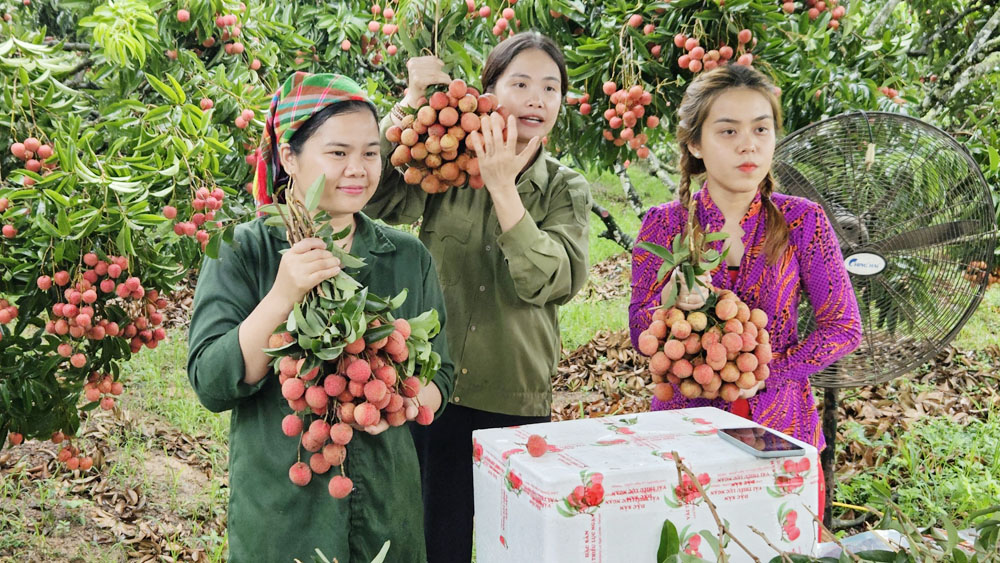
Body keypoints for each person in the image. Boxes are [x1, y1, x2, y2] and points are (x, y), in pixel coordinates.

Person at [187, 72, 454, 563]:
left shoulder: (407, 255)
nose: (358, 169)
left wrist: (401, 404)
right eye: (338, 153)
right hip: (281, 517)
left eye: (371, 153)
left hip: (386, 515)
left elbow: (443, 375)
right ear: (289, 157)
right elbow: (211, 382)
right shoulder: (243, 251)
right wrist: (282, 296)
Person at [364, 31, 592, 563]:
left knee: (509, 544)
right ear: (486, 92)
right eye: (520, 83)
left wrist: (503, 187)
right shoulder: (446, 161)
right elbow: (374, 198)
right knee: (431, 538)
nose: (537, 98)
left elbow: (552, 279)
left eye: (551, 87)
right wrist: (408, 106)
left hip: (511, 396)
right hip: (429, 388)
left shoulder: (565, 189)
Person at [629, 64, 862, 496]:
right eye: (729, 132)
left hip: (781, 431)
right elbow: (639, 328)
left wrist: (769, 372)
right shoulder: (665, 225)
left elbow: (843, 326)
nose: (749, 144)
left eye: (761, 129)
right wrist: (670, 302)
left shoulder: (802, 221)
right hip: (686, 428)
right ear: (696, 143)